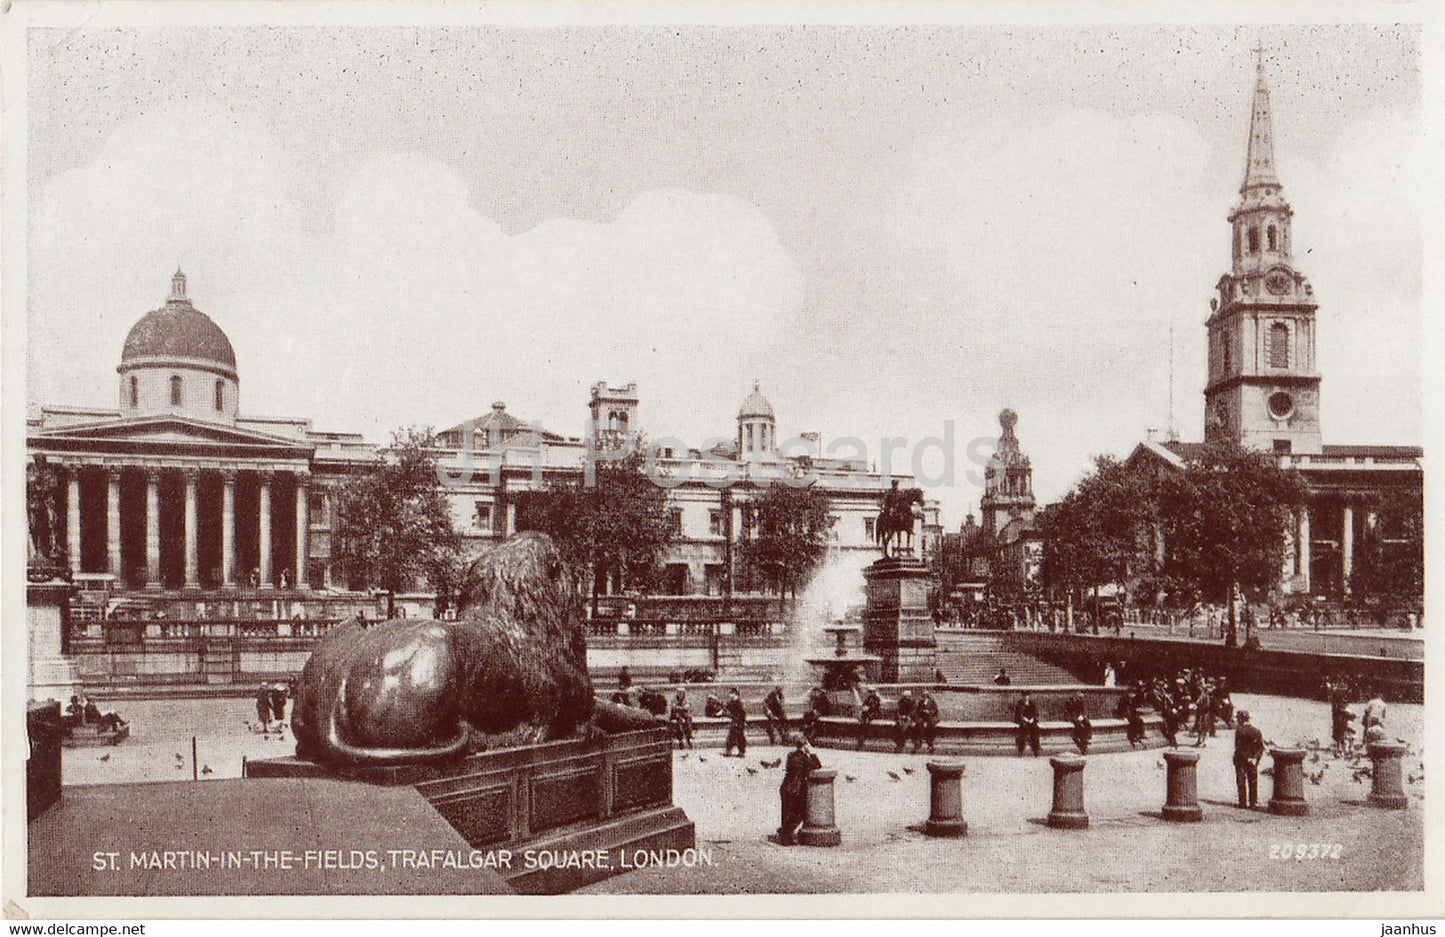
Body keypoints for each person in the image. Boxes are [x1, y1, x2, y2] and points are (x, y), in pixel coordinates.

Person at [778, 734, 822, 845]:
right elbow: (817, 765)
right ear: (805, 745)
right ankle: (785, 835)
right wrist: (812, 753)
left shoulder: (792, 755)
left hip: (786, 788)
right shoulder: (802, 758)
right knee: (798, 813)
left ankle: (784, 834)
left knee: (787, 812)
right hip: (795, 790)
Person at [1233, 710, 1266, 809]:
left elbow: (1238, 747)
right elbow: (1261, 747)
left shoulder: (1239, 731)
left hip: (1241, 759)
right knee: (1253, 780)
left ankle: (1242, 802)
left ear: (1242, 719)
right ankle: (1253, 802)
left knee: (1241, 780)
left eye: (1238, 719)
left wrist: (1244, 757)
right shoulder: (1256, 731)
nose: (1237, 721)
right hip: (1253, 760)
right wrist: (1255, 758)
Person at [913, 688, 940, 753]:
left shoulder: (932, 702)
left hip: (930, 718)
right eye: (923, 696)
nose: (923, 697)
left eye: (925, 696)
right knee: (919, 725)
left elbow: (935, 710)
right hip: (922, 718)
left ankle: (930, 743)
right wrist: (922, 711)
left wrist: (929, 712)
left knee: (930, 727)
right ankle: (919, 742)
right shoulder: (920, 702)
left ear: (927, 696)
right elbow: (917, 711)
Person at [1014, 692, 1040, 756]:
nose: (1025, 697)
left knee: (1035, 731)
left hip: (1031, 722)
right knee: (1022, 732)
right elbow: (1019, 714)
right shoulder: (1019, 704)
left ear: (1028, 696)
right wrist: (1024, 719)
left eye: (1027, 696)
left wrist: (1032, 719)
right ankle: (1021, 750)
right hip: (1023, 722)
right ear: (1022, 697)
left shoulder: (1032, 704)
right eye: (1024, 696)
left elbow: (1036, 714)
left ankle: (1036, 750)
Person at [723, 688, 748, 757]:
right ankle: (729, 751)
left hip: (739, 722)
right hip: (735, 722)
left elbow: (743, 714)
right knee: (731, 737)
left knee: (740, 737)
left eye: (732, 693)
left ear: (736, 694)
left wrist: (741, 722)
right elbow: (726, 709)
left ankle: (741, 752)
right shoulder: (731, 702)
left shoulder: (739, 703)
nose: (730, 695)